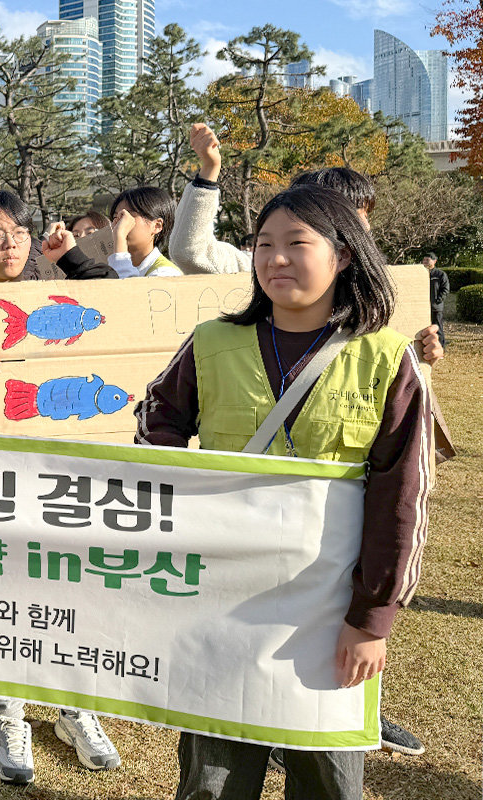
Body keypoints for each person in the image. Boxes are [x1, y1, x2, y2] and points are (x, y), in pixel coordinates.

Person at [136, 185, 430, 799]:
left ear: (344, 255)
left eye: (298, 244)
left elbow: (402, 499)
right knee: (213, 778)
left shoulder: (382, 357)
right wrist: (187, 501)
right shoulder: (212, 342)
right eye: (263, 245)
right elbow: (155, 422)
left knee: (327, 779)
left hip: (327, 616)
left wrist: (372, 618)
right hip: (221, 604)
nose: (275, 259)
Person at [0, 191, 122, 785]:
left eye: (17, 232)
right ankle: (8, 713)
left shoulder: (63, 290)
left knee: (71, 589)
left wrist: (77, 260)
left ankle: (74, 708)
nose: (8, 244)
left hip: (68, 472)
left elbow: (124, 309)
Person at [171, 123, 445, 370]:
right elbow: (191, 251)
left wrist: (421, 351)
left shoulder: (378, 289)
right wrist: (209, 171)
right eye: (355, 215)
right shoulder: (266, 271)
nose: (366, 228)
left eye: (365, 216)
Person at [108, 187, 181, 278]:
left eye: (128, 217)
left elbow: (126, 289)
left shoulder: (166, 273)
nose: (120, 224)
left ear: (157, 226)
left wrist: (120, 237)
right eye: (116, 217)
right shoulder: (108, 264)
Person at [423, 253, 449, 348]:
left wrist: (438, 300)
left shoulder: (440, 274)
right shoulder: (422, 273)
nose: (425, 262)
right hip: (424, 307)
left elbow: (445, 289)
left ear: (434, 261)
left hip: (435, 307)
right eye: (424, 260)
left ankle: (441, 346)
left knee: (437, 327)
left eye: (427, 260)